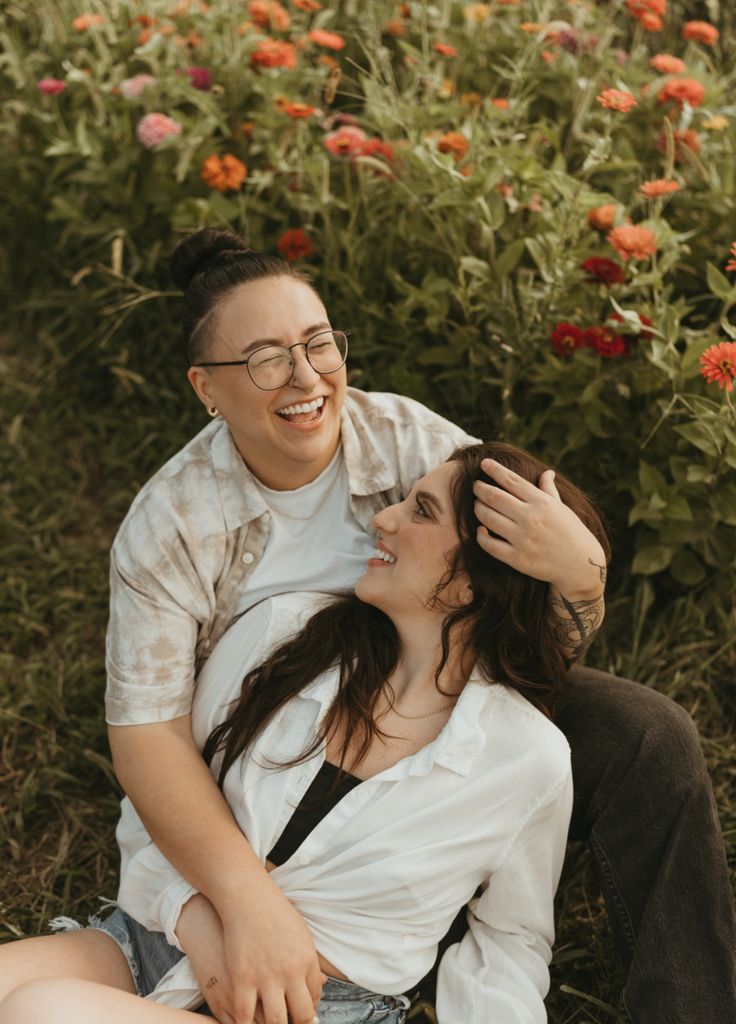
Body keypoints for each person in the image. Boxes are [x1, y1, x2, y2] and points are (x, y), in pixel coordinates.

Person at [0, 230, 732, 1024]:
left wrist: (581, 571)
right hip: (272, 748)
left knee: (647, 733)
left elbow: (507, 615)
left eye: (318, 344)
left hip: (440, 706)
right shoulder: (176, 526)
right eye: (265, 359)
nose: (306, 377)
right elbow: (152, 738)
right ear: (207, 390)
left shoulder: (412, 445)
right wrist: (234, 906)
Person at [0, 441, 609, 1024]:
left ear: (476, 580)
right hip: (154, 940)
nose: (385, 518)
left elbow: (509, 941)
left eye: (421, 510)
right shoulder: (283, 633)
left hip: (316, 1010)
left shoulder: (528, 758)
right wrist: (202, 925)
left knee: (41, 1013)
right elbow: (159, 798)